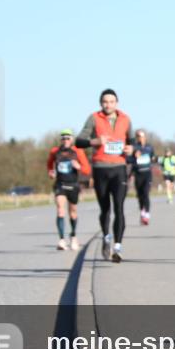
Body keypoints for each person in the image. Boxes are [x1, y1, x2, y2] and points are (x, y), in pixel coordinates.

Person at [75, 89, 136, 263]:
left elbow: (132, 142)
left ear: (116, 103)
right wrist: (95, 141)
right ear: (101, 103)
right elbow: (79, 141)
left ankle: (118, 247)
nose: (108, 104)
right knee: (105, 209)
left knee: (119, 207)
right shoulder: (94, 118)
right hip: (100, 168)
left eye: (111, 101)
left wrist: (131, 149)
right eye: (105, 102)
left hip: (119, 168)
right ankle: (107, 237)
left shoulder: (125, 119)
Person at [46, 129, 91, 250]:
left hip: (73, 185)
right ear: (60, 140)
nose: (65, 140)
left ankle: (73, 236)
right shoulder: (55, 151)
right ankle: (61, 240)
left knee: (73, 212)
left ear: (72, 139)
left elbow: (87, 169)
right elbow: (49, 164)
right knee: (60, 210)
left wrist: (79, 166)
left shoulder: (78, 151)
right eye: (63, 138)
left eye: (68, 138)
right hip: (60, 184)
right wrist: (51, 172)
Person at [128, 129, 155, 225]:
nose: (141, 138)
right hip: (138, 174)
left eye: (142, 136)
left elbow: (153, 158)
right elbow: (129, 160)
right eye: (139, 136)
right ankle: (142, 211)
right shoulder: (134, 147)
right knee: (140, 195)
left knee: (146, 193)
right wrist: (134, 156)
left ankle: (147, 214)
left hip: (147, 174)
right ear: (137, 138)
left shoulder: (149, 147)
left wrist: (153, 159)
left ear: (145, 137)